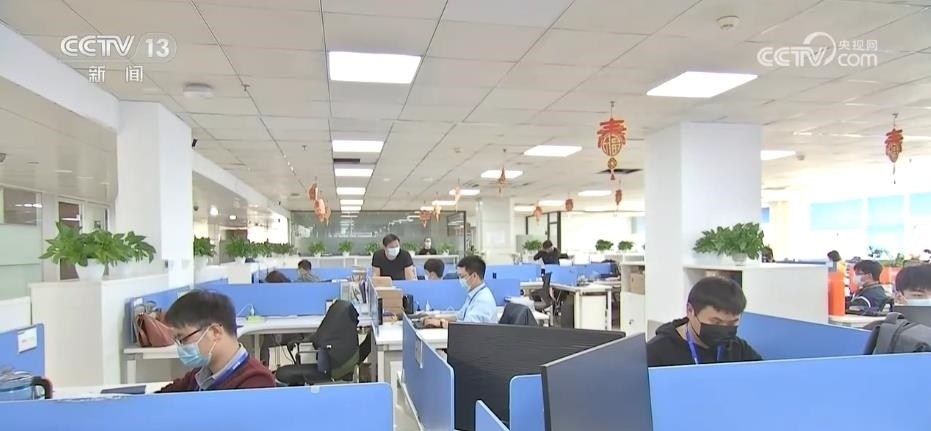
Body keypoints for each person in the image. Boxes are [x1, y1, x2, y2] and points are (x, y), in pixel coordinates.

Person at [157, 291, 275, 392]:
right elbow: (163, 398)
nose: (181, 347)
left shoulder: (257, 382)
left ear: (215, 332)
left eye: (182, 339)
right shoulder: (201, 375)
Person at [647, 277, 762, 367]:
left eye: (732, 323)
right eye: (716, 322)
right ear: (690, 311)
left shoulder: (738, 349)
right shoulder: (656, 352)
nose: (724, 330)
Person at [423, 256, 497, 328]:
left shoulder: (483, 300)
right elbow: (460, 316)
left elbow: (468, 327)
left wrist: (441, 323)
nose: (460, 280)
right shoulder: (474, 295)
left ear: (474, 276)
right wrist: (436, 318)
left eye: (462, 276)